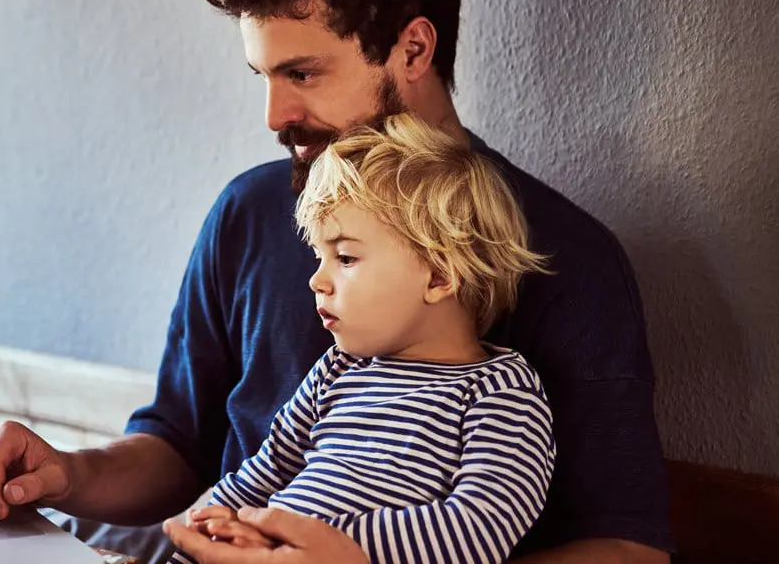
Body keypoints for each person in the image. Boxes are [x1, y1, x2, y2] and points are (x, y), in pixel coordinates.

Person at [0, 0, 674, 562]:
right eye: (262, 74)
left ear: (413, 50)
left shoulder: (560, 258)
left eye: (303, 72)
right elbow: (180, 447)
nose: (274, 113)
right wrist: (67, 473)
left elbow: (627, 549)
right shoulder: (250, 212)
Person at [168, 114, 557, 564]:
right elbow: (267, 469)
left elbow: (479, 526)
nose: (317, 280)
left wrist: (327, 542)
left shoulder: (500, 393)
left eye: (346, 257)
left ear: (438, 275)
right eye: (319, 257)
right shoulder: (336, 371)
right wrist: (198, 525)